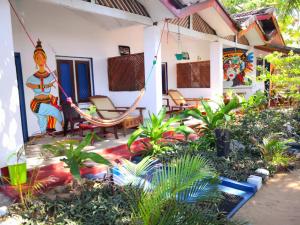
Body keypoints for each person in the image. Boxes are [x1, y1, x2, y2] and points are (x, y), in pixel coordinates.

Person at [26, 39, 63, 134]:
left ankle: (44, 135)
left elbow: (58, 73)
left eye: (42, 58)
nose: (40, 60)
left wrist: (55, 53)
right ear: (35, 60)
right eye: (37, 58)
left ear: (45, 59)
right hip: (36, 104)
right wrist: (43, 85)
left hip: (47, 101)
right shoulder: (33, 77)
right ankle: (65, 127)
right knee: (55, 112)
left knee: (42, 122)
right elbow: (28, 84)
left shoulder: (49, 75)